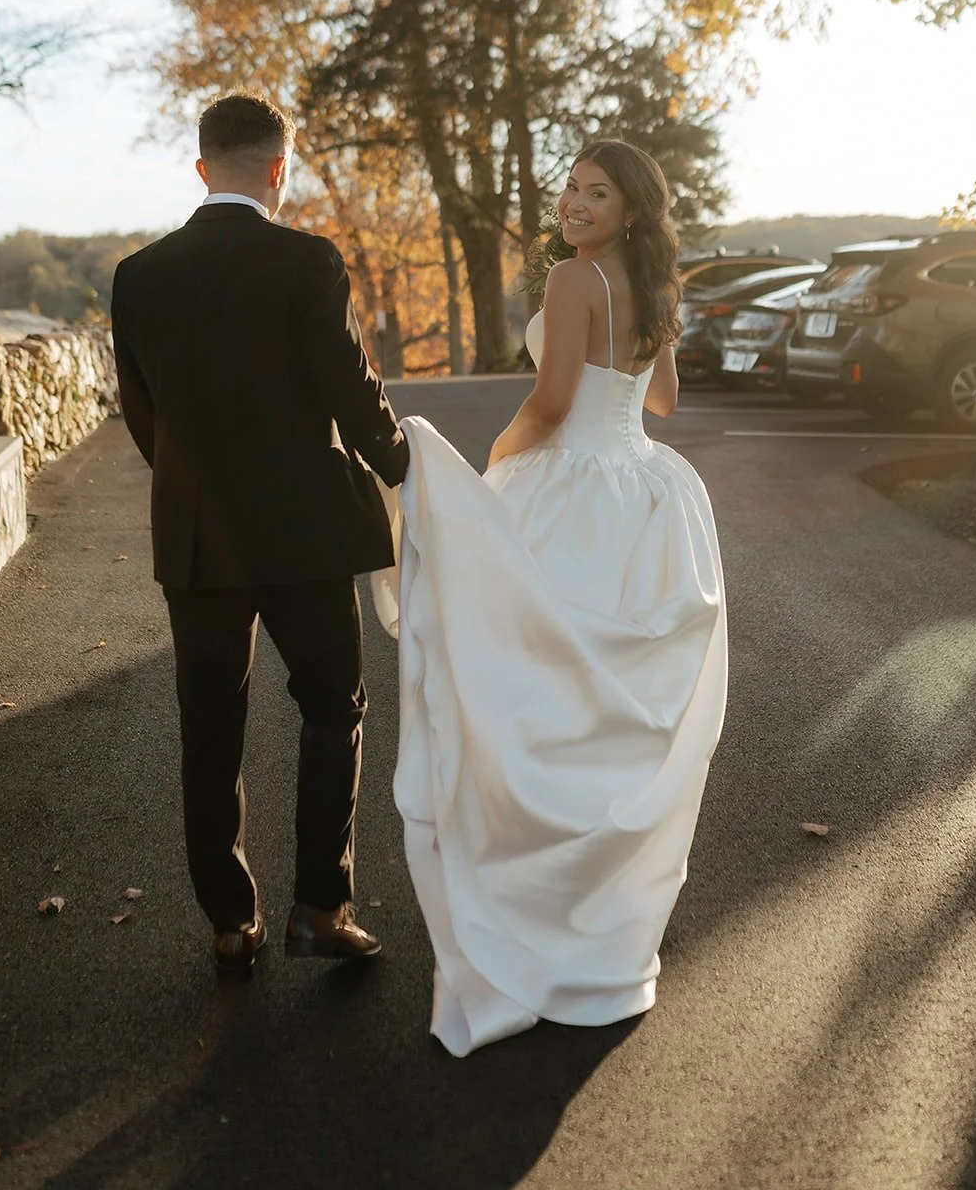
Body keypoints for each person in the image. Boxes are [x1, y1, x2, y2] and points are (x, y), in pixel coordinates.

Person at [375, 139, 728, 1056]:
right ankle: (602, 941)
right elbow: (664, 404)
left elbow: (555, 392)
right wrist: (647, 342)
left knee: (533, 695)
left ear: (630, 208)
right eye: (571, 187)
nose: (574, 203)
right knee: (610, 718)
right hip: (643, 492)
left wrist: (496, 461)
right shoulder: (653, 285)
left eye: (596, 192)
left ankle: (529, 913)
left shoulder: (576, 282)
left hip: (569, 482)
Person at [111, 92, 409, 974]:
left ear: (202, 169)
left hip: (197, 537)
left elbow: (142, 416)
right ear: (279, 170)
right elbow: (350, 391)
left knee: (210, 727)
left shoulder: (138, 275)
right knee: (333, 709)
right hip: (305, 534)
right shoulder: (308, 262)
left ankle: (230, 923)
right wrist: (407, 470)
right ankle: (321, 907)